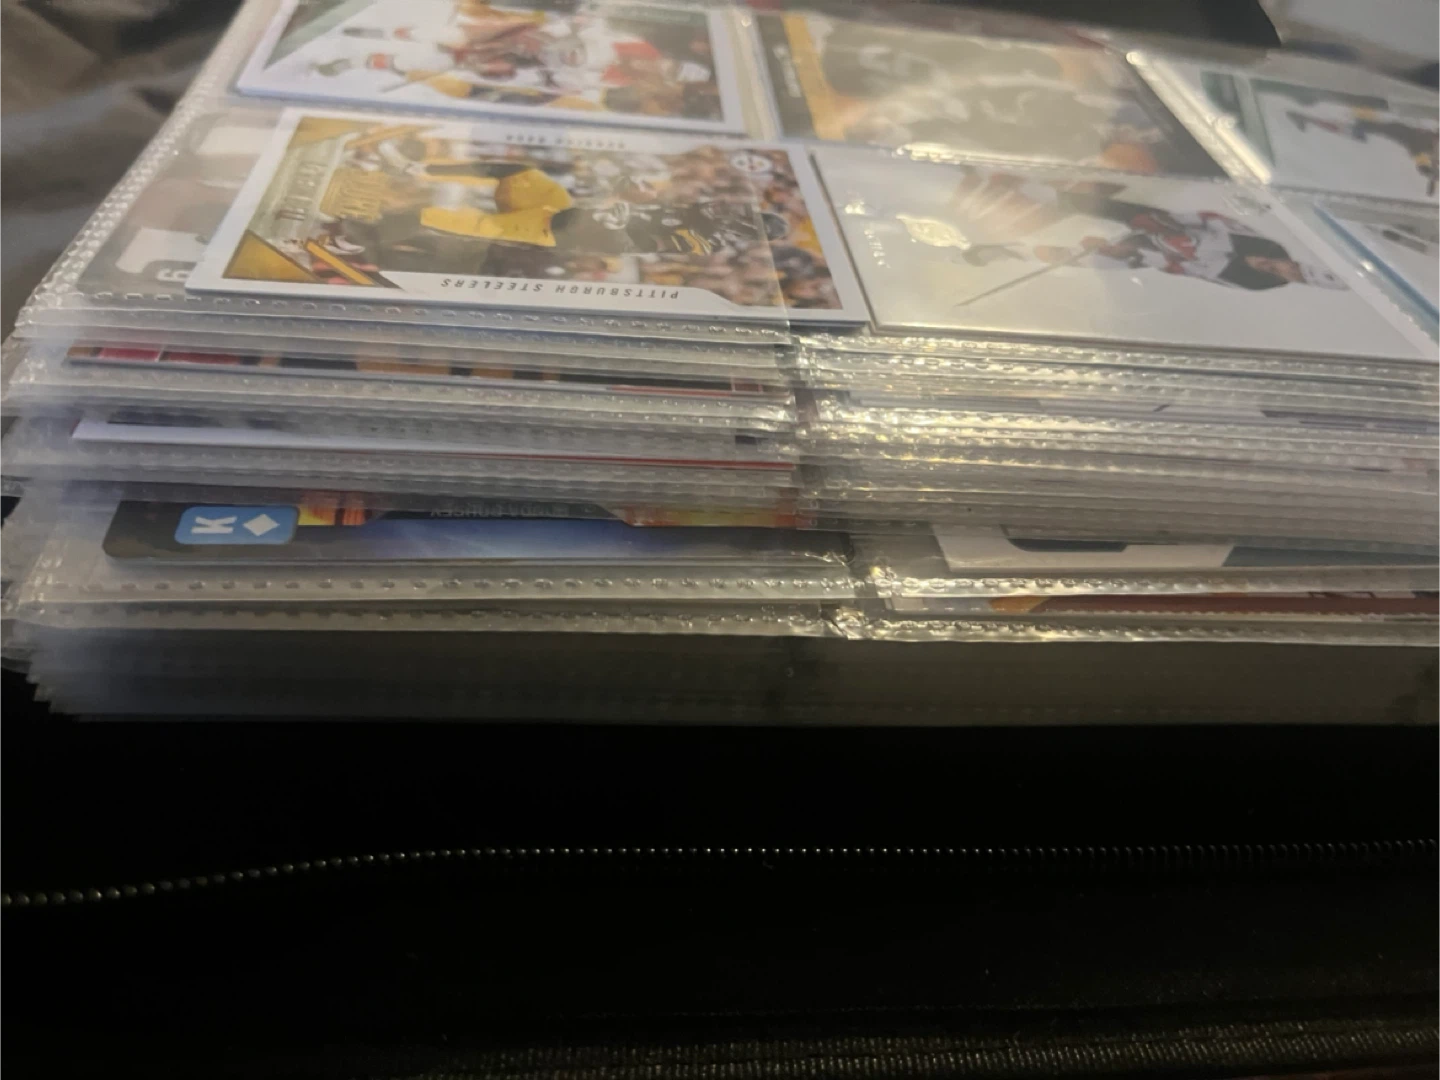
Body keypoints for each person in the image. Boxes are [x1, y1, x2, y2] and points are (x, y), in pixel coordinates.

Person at [962, 191, 1347, 291]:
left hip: (1151, 253)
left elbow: (1184, 270)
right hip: (1167, 227)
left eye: (1289, 276)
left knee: (1087, 259)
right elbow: (1213, 218)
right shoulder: (1261, 243)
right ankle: (1057, 196)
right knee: (1117, 208)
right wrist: (1166, 224)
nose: (1279, 269)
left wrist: (1128, 251)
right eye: (1290, 267)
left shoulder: (1251, 282)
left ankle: (1009, 252)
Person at [1287, 108, 1439, 190]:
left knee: (1336, 124)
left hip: (1367, 122)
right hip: (1367, 119)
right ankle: (1302, 116)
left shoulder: (1421, 142)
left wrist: (1429, 171)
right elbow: (1422, 163)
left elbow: (1421, 162)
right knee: (1336, 123)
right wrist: (1429, 171)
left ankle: (1303, 117)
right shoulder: (1419, 141)